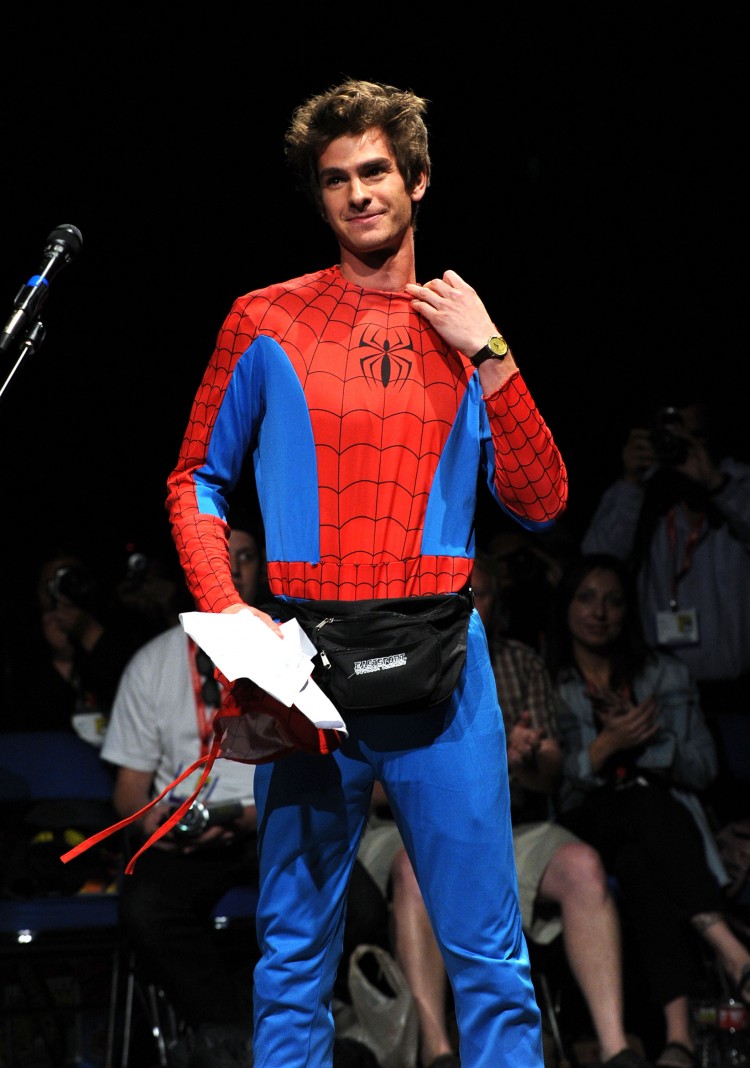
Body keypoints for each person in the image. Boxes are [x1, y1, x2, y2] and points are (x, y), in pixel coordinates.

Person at [162, 78, 569, 1068]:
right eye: (337, 179)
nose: (358, 194)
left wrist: (495, 354)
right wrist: (231, 615)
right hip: (308, 668)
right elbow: (194, 477)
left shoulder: (466, 327)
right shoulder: (264, 320)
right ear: (321, 195)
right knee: (293, 953)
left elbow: (544, 501)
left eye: (377, 172)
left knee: (491, 956)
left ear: (418, 180)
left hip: (448, 668)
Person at [355, 554, 655, 1068]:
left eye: (485, 592)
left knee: (583, 866)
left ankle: (615, 1048)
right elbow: (365, 781)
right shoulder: (389, 660)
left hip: (510, 820)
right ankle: (439, 1051)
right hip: (406, 828)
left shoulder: (518, 661)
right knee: (416, 868)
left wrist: (528, 756)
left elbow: (552, 773)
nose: (473, 599)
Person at [544, 551, 750, 1068]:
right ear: (566, 605)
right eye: (586, 598)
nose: (600, 612)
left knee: (640, 851)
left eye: (613, 600)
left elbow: (703, 768)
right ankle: (732, 949)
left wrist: (648, 744)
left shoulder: (664, 674)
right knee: (633, 805)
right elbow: (553, 787)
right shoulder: (552, 681)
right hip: (584, 825)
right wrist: (606, 746)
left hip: (661, 828)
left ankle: (677, 1042)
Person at [101, 519, 266, 1068]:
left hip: (269, 824)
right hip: (192, 834)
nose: (235, 570)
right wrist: (154, 825)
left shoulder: (290, 649)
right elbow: (129, 791)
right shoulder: (152, 664)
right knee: (146, 908)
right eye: (223, 559)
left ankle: (298, 1026)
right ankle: (230, 1033)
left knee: (353, 897)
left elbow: (324, 767)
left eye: (245, 558)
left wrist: (248, 815)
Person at [579, 397, 750, 822]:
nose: (679, 447)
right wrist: (630, 481)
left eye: (688, 436)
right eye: (668, 438)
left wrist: (714, 482)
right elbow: (594, 569)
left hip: (737, 698)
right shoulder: (649, 496)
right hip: (663, 698)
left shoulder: (734, 484)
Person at [1, 543, 146, 740]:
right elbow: (24, 721)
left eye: (71, 579)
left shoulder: (119, 629)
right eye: (53, 583)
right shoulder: (20, 644)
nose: (63, 590)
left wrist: (88, 632)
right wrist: (62, 659)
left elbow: (137, 697)